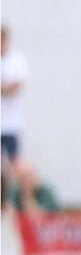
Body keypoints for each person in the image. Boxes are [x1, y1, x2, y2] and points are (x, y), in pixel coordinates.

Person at [1, 25, 28, 163]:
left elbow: (16, 87)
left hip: (10, 124)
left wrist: (6, 89)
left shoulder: (17, 60)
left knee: (14, 162)